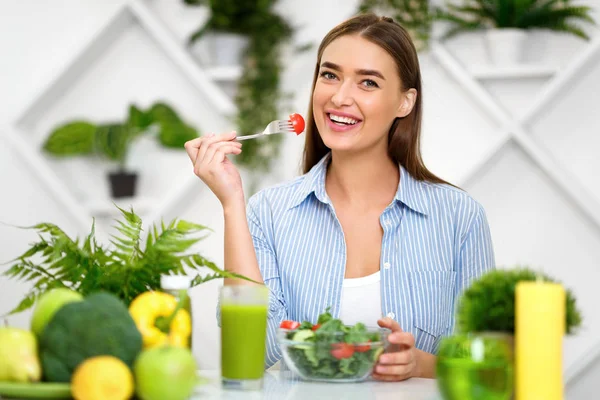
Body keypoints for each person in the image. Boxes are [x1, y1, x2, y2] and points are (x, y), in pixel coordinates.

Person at [185, 13, 495, 381]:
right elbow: (250, 353)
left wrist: (420, 364)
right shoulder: (268, 212)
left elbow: (488, 362)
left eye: (368, 82)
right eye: (329, 75)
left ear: (405, 102)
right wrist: (232, 203)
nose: (340, 97)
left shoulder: (458, 217)